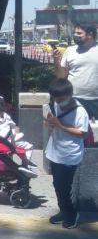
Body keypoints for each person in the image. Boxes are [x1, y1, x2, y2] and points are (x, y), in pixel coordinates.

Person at [44, 78, 88, 229]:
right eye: (56, 99)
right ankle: (63, 211)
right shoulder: (55, 104)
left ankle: (71, 214)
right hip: (55, 151)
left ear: (70, 95)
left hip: (69, 154)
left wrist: (61, 126)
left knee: (64, 188)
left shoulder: (80, 111)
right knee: (57, 185)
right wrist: (49, 123)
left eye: (61, 99)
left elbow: (82, 133)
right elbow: (51, 123)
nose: (58, 102)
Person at [53, 23, 98, 119]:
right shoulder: (70, 50)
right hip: (73, 98)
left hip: (95, 100)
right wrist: (56, 61)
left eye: (79, 33)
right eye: (74, 33)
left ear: (90, 34)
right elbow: (61, 76)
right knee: (73, 126)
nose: (75, 35)